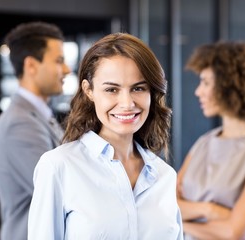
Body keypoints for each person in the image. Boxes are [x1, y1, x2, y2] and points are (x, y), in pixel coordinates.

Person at [27, 32, 183, 240]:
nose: (127, 103)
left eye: (138, 88)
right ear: (89, 90)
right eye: (112, 89)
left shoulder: (164, 176)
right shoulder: (58, 166)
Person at [177, 41, 245, 240]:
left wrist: (180, 222)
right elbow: (168, 205)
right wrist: (210, 210)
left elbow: (233, 233)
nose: (198, 91)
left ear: (230, 86)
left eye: (206, 83)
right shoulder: (204, 142)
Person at [0, 21, 71, 240]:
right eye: (59, 61)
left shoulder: (38, 116)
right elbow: (62, 191)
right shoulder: (19, 123)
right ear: (31, 66)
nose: (67, 69)